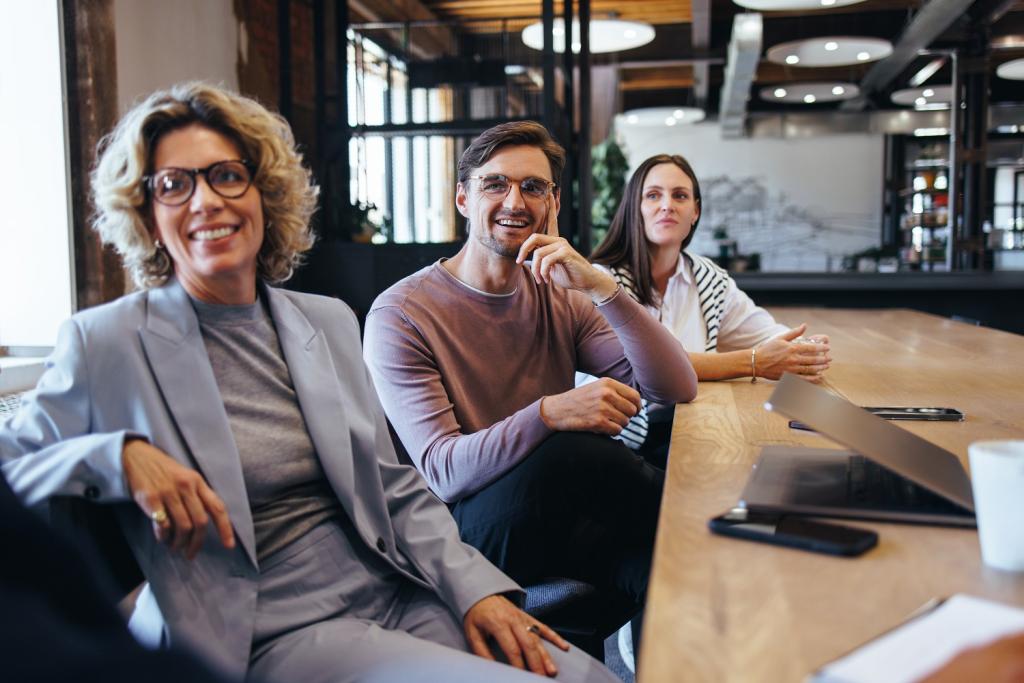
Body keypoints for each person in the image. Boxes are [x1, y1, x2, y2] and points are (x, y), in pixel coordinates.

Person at [0, 83, 616, 683]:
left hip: (397, 585)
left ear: (264, 193)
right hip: (268, 625)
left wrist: (476, 590)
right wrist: (118, 455)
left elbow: (393, 486)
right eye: (173, 185)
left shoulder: (324, 321)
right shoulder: (106, 340)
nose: (205, 200)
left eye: (226, 176)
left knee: (582, 674)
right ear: (148, 216)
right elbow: (11, 474)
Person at [363, 121, 698, 662]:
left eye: (533, 187)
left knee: (671, 563)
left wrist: (601, 286)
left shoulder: (561, 294)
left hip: (555, 516)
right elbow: (444, 473)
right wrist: (548, 412)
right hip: (461, 535)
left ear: (553, 203)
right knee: (571, 448)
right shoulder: (402, 313)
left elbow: (674, 386)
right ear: (463, 199)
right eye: (495, 184)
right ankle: (717, 516)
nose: (514, 201)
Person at [587, 153, 832, 455]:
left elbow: (768, 335)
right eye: (653, 195)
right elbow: (645, 369)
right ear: (635, 208)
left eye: (680, 196)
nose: (667, 205)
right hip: (622, 443)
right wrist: (755, 361)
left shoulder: (710, 279)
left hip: (694, 429)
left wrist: (802, 350)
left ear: (695, 211)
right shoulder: (601, 282)